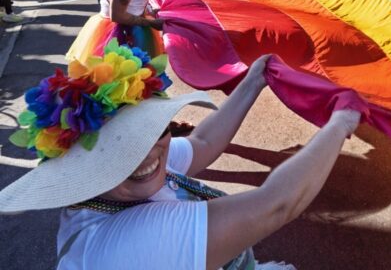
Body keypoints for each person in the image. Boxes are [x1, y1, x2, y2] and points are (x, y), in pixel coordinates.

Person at [0, 50, 365, 270]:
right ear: (84, 172)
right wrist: (341, 123)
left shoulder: (122, 183)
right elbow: (274, 205)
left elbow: (203, 141)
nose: (146, 154)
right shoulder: (130, 238)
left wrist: (254, 81)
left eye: (150, 131)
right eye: (120, 153)